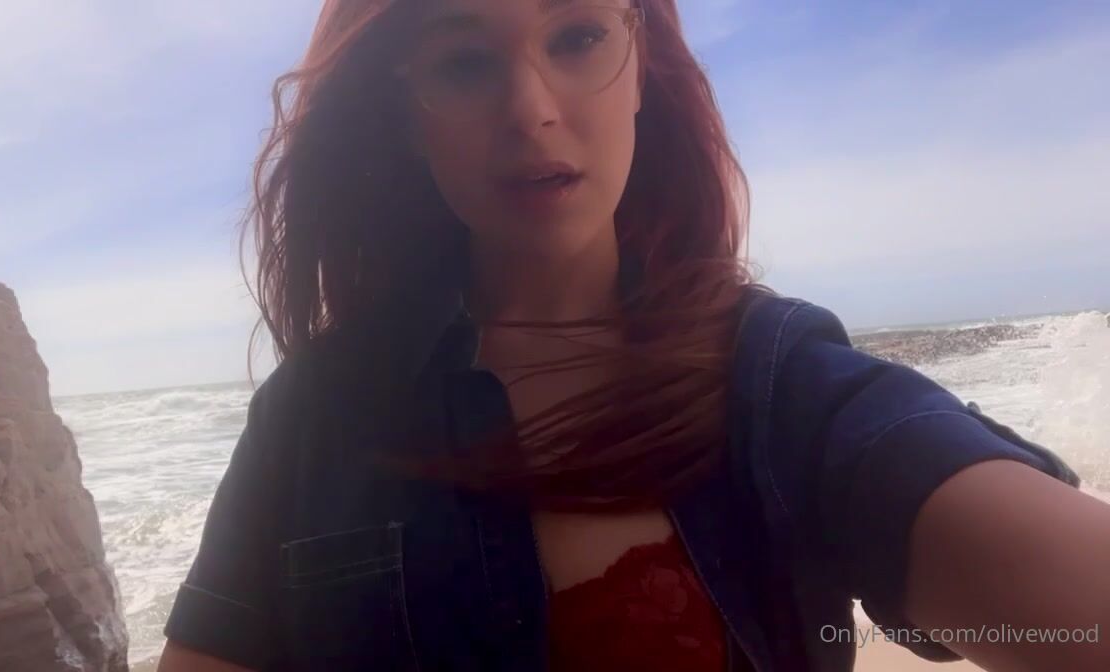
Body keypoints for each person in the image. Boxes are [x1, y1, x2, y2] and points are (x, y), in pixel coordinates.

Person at [157, 1, 1110, 670]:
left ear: (639, 65)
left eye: (576, 36)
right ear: (407, 119)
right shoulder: (313, 417)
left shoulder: (777, 386)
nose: (532, 108)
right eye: (465, 62)